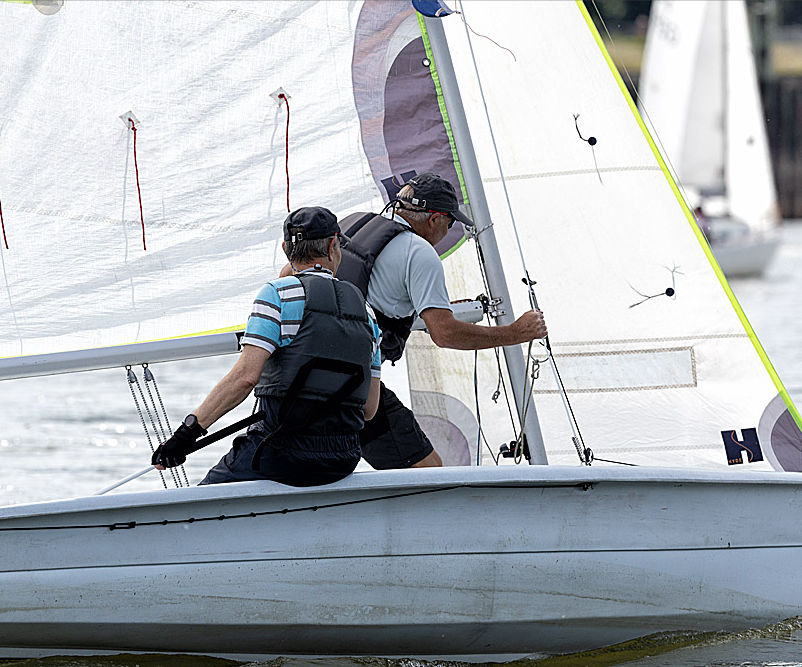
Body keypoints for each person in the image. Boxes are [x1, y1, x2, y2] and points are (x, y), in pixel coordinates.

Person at [289, 172, 548, 470]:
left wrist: (433, 306)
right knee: (427, 471)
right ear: (435, 219)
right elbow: (444, 333)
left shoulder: (352, 224)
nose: (449, 231)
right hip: (348, 388)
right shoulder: (420, 253)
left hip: (299, 377)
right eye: (451, 224)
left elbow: (294, 274)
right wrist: (515, 333)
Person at [152, 206, 382, 487]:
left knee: (196, 504)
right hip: (341, 461)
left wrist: (184, 436)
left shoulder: (276, 295)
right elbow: (369, 409)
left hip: (280, 456)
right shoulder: (367, 314)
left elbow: (246, 377)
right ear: (334, 245)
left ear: (285, 249)